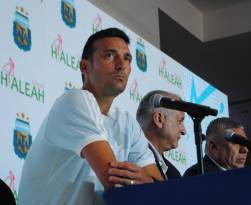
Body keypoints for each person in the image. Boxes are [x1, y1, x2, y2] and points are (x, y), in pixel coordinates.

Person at [18, 28, 163, 205]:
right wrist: (145, 184)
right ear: (85, 67)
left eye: (127, 58)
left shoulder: (127, 123)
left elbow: (161, 192)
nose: (121, 65)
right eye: (110, 56)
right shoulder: (74, 100)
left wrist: (148, 184)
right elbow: (116, 184)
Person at [136, 90, 186, 180]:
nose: (184, 131)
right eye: (179, 121)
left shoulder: (174, 174)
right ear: (159, 119)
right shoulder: (129, 156)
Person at [183, 117, 249, 177]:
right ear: (213, 146)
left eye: (245, 143)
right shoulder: (198, 174)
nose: (245, 150)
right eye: (236, 143)